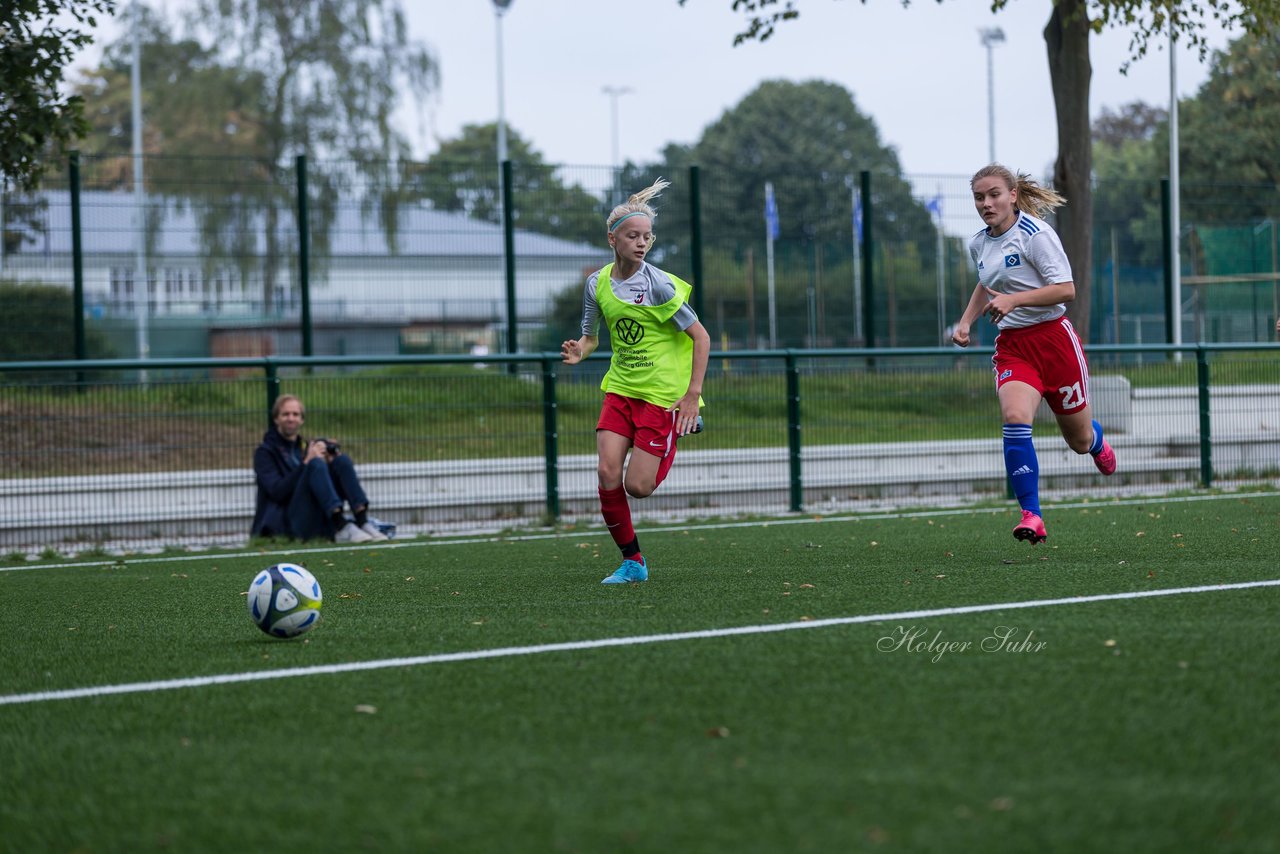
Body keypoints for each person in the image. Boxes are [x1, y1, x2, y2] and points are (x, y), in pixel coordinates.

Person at [950, 164, 1117, 545]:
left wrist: (1015, 299)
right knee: (1013, 415)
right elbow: (986, 283)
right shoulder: (979, 242)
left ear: (1012, 195)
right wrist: (965, 322)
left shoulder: (1036, 235)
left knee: (1076, 441)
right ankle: (1032, 514)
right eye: (979, 197)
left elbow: (1066, 289)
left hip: (1055, 343)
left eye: (994, 194)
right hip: (1014, 347)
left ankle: (1095, 442)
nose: (986, 203)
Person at [561, 177, 710, 583]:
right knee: (607, 474)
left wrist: (692, 397)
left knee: (638, 487)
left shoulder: (658, 284)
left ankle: (678, 431)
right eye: (632, 236)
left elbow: (701, 337)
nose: (641, 243)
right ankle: (633, 562)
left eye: (647, 236)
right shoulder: (597, 283)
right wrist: (581, 351)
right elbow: (591, 337)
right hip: (621, 390)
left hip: (662, 397)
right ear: (613, 239)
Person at [252, 394, 388, 544]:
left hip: (314, 515)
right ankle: (340, 525)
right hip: (286, 522)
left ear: (302, 420)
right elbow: (277, 493)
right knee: (315, 464)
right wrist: (307, 462)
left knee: (341, 461)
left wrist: (329, 463)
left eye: (295, 414)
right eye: (285, 414)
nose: (291, 418)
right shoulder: (264, 452)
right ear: (276, 418)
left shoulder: (304, 446)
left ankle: (362, 521)